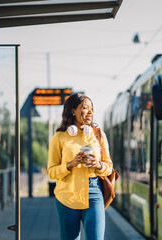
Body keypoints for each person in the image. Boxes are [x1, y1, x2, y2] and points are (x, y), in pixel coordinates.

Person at [47, 93, 113, 240]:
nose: (90, 112)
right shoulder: (59, 137)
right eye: (85, 108)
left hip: (94, 192)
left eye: (91, 108)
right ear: (73, 111)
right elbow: (51, 171)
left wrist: (99, 165)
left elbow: (109, 167)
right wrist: (70, 164)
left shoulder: (98, 135)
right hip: (67, 195)